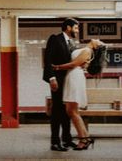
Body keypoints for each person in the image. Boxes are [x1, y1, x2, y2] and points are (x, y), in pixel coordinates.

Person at [52, 39, 105, 151]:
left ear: (96, 46)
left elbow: (74, 64)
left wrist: (57, 67)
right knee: (72, 111)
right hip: (73, 76)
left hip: (74, 77)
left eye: (99, 41)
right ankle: (86, 138)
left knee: (72, 111)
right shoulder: (86, 50)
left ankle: (83, 140)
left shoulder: (87, 50)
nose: (97, 39)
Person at [43, 18, 80, 152]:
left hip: (69, 81)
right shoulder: (55, 39)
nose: (77, 31)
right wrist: (52, 78)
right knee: (57, 111)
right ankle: (55, 142)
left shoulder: (71, 43)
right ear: (68, 28)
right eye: (76, 28)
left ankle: (67, 139)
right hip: (57, 80)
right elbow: (48, 59)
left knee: (67, 111)